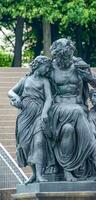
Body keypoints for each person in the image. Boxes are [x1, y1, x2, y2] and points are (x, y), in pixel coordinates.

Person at [48, 38, 96, 181]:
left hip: (79, 110)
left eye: (69, 55)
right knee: (76, 112)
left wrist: (88, 76)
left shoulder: (78, 64)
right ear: (56, 54)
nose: (67, 59)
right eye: (63, 56)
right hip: (58, 110)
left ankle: (67, 171)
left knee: (68, 129)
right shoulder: (50, 68)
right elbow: (32, 81)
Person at [8, 55, 54, 184]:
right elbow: (10, 91)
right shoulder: (25, 80)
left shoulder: (45, 81)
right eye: (46, 67)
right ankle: (34, 174)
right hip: (25, 115)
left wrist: (45, 113)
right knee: (25, 145)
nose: (47, 70)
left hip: (39, 113)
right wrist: (16, 98)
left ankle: (39, 175)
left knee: (39, 142)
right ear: (38, 65)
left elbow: (49, 98)